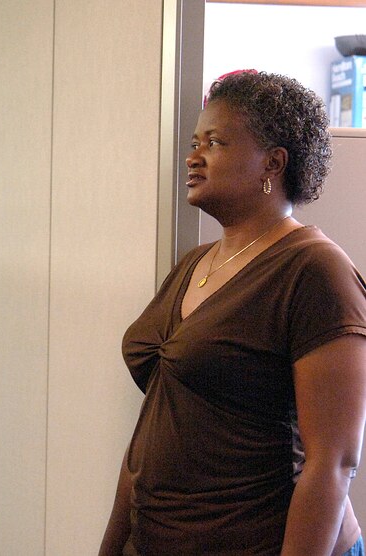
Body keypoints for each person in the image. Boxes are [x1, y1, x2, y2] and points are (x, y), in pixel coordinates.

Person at [99, 71, 366, 555]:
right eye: (195, 141)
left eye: (215, 142)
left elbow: (334, 462)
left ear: (273, 163)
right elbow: (155, 426)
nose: (193, 156)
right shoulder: (193, 265)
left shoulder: (315, 270)